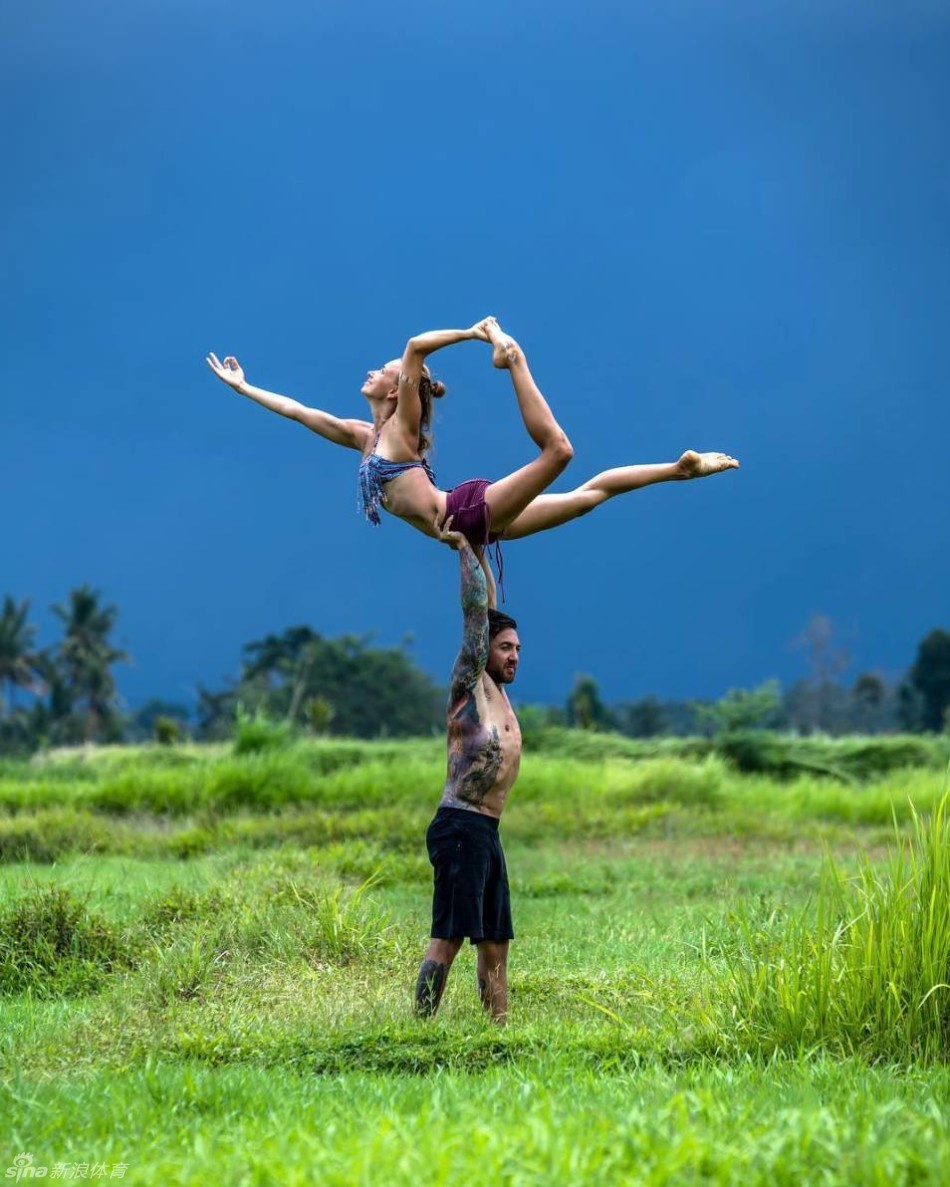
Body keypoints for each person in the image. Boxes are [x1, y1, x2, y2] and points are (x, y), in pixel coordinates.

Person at [205, 318, 739, 559]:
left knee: (560, 454)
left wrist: (478, 333)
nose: (374, 371)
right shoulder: (363, 435)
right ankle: (678, 470)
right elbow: (298, 411)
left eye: (384, 370)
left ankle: (515, 361)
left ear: (400, 390)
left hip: (466, 513)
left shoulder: (402, 429)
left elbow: (415, 346)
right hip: (475, 531)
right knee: (583, 501)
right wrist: (244, 386)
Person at [413, 513, 520, 1023]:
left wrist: (482, 542)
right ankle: (420, 1028)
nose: (513, 656)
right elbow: (478, 614)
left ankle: (497, 1032)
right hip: (459, 825)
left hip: (488, 831)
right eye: (506, 648)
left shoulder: (500, 694)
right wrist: (462, 546)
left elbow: (491, 610)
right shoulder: (469, 683)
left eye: (517, 648)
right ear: (484, 653)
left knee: (495, 939)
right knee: (448, 936)